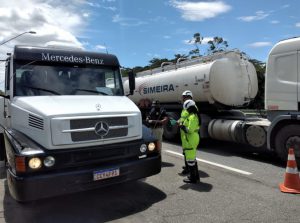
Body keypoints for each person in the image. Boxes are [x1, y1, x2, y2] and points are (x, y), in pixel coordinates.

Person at [179, 99, 200, 183]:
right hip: (192, 138)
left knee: (190, 159)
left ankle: (193, 178)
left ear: (189, 108)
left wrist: (182, 126)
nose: (186, 110)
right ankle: (196, 176)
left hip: (190, 138)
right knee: (193, 159)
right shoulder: (194, 115)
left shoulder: (192, 117)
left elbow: (189, 130)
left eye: (187, 109)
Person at [178, 90, 194, 175]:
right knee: (185, 151)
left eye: (184, 97)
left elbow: (190, 121)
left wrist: (181, 124)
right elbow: (183, 117)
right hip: (184, 133)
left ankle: (189, 169)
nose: (183, 98)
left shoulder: (191, 107)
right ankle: (187, 166)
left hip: (188, 133)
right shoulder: (186, 107)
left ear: (189, 97)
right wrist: (179, 121)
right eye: (183, 97)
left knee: (189, 152)